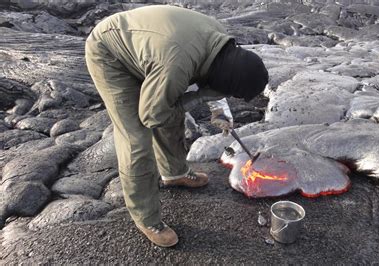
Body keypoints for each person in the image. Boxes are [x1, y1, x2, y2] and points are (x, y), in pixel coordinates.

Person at [85, 5, 268, 247]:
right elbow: (151, 116)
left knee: (172, 112)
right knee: (137, 138)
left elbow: (220, 80)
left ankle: (175, 173)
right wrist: (199, 97)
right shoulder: (177, 64)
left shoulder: (222, 46)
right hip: (110, 53)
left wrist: (218, 110)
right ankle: (146, 217)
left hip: (154, 50)